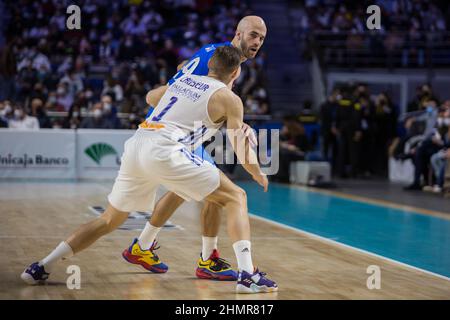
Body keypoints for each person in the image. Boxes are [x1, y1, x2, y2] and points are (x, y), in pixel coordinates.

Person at [21, 46, 277, 293]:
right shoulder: (230, 99)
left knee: (108, 220)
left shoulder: (183, 81)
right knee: (236, 197)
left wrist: (188, 97)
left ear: (210, 65)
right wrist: (256, 172)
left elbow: (152, 98)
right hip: (167, 149)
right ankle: (248, 276)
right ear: (235, 74)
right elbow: (240, 148)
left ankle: (42, 266)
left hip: (138, 144)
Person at [122, 15, 267, 281]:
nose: (257, 41)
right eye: (253, 35)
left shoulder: (216, 54)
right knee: (222, 192)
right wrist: (253, 162)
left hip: (178, 128)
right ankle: (213, 261)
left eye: (261, 38)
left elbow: (184, 69)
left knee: (185, 191)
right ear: (238, 33)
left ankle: (144, 246)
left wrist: (239, 123)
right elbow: (194, 88)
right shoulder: (222, 58)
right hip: (172, 130)